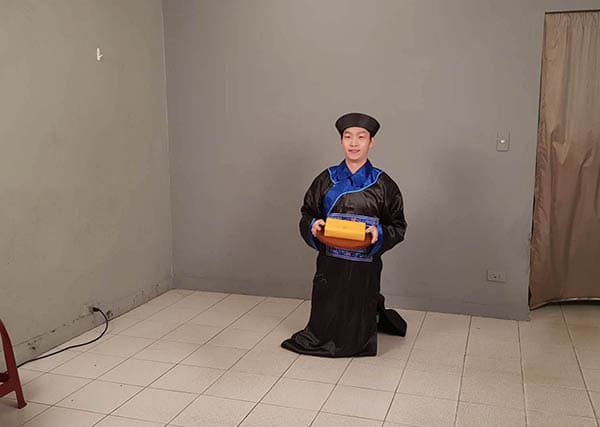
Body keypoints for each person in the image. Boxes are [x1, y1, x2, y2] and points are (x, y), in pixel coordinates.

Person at [281, 112, 408, 358]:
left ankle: (359, 340)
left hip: (364, 263)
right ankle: (321, 336)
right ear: (341, 141)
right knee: (328, 300)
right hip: (331, 260)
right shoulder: (326, 179)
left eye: (361, 137)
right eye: (348, 137)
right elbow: (307, 213)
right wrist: (313, 225)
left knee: (359, 303)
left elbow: (398, 225)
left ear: (371, 142)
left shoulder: (383, 184)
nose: (354, 143)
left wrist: (379, 232)